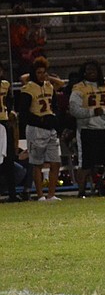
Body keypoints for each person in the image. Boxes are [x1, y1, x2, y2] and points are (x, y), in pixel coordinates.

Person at [68, 60, 105, 198]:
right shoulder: (79, 88)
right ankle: (81, 192)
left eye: (93, 70)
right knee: (85, 164)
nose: (91, 72)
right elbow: (74, 109)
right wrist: (92, 112)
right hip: (88, 130)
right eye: (88, 70)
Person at [18, 56, 62, 201]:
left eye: (44, 72)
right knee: (37, 163)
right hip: (36, 129)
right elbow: (24, 112)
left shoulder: (49, 87)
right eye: (39, 72)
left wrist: (54, 118)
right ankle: (40, 195)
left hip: (50, 128)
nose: (42, 75)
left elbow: (54, 105)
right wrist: (39, 120)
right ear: (34, 73)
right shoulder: (28, 88)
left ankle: (51, 194)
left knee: (55, 162)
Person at [0, 62, 20, 202]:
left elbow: (9, 102)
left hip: (4, 123)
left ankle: (12, 193)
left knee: (9, 160)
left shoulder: (6, 85)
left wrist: (11, 111)